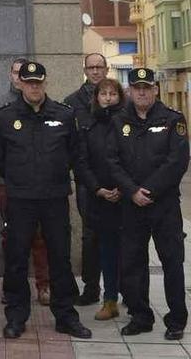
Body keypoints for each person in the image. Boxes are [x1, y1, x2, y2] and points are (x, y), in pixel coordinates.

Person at [0, 61, 91, 340]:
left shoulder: (64, 115)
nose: (34, 87)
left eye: (39, 82)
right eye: (29, 82)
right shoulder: (3, 117)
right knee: (16, 259)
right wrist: (19, 178)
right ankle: (16, 316)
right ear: (19, 83)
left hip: (54, 198)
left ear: (45, 83)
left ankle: (66, 316)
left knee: (60, 258)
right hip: (20, 199)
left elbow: (75, 154)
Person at [107, 68, 188, 340]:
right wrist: (131, 192)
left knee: (172, 262)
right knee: (132, 263)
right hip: (132, 206)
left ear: (155, 89)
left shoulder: (173, 120)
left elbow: (177, 161)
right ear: (129, 91)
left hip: (164, 205)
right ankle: (141, 316)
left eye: (147, 87)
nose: (141, 92)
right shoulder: (119, 121)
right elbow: (112, 161)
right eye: (137, 87)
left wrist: (150, 190)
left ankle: (176, 320)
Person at [0, 57, 51, 306]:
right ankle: (12, 287)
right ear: (11, 76)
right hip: (9, 185)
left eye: (23, 73)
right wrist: (14, 176)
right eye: (16, 73)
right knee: (12, 238)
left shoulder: (46, 105)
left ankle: (44, 285)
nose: (19, 78)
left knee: (41, 237)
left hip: (43, 187)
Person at [74, 78, 124, 321]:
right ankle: (109, 299)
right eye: (103, 93)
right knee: (106, 250)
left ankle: (135, 300)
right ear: (96, 98)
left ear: (119, 97)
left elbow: (135, 161)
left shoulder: (128, 124)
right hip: (100, 198)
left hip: (126, 198)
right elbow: (81, 162)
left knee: (131, 251)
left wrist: (124, 189)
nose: (107, 97)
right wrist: (99, 189)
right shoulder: (88, 126)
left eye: (112, 93)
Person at [64, 53, 109, 306]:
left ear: (106, 69)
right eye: (91, 67)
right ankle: (91, 288)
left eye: (99, 67)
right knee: (90, 235)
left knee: (121, 234)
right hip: (85, 181)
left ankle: (123, 288)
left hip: (117, 182)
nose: (95, 71)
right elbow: (68, 144)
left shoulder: (119, 101)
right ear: (85, 70)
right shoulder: (72, 102)